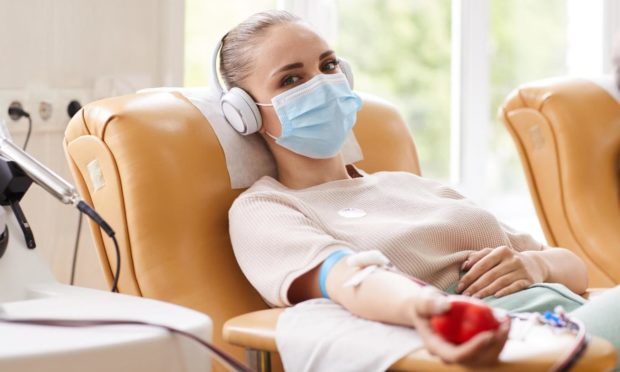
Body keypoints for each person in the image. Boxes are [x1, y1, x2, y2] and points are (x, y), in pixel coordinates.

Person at [223, 10, 620, 368]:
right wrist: (433, 312)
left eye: (329, 66)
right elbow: (349, 280)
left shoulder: (410, 186)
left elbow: (574, 268)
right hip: (503, 342)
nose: (323, 85)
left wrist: (537, 265)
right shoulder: (266, 208)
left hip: (562, 318)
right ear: (244, 112)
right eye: (291, 79)